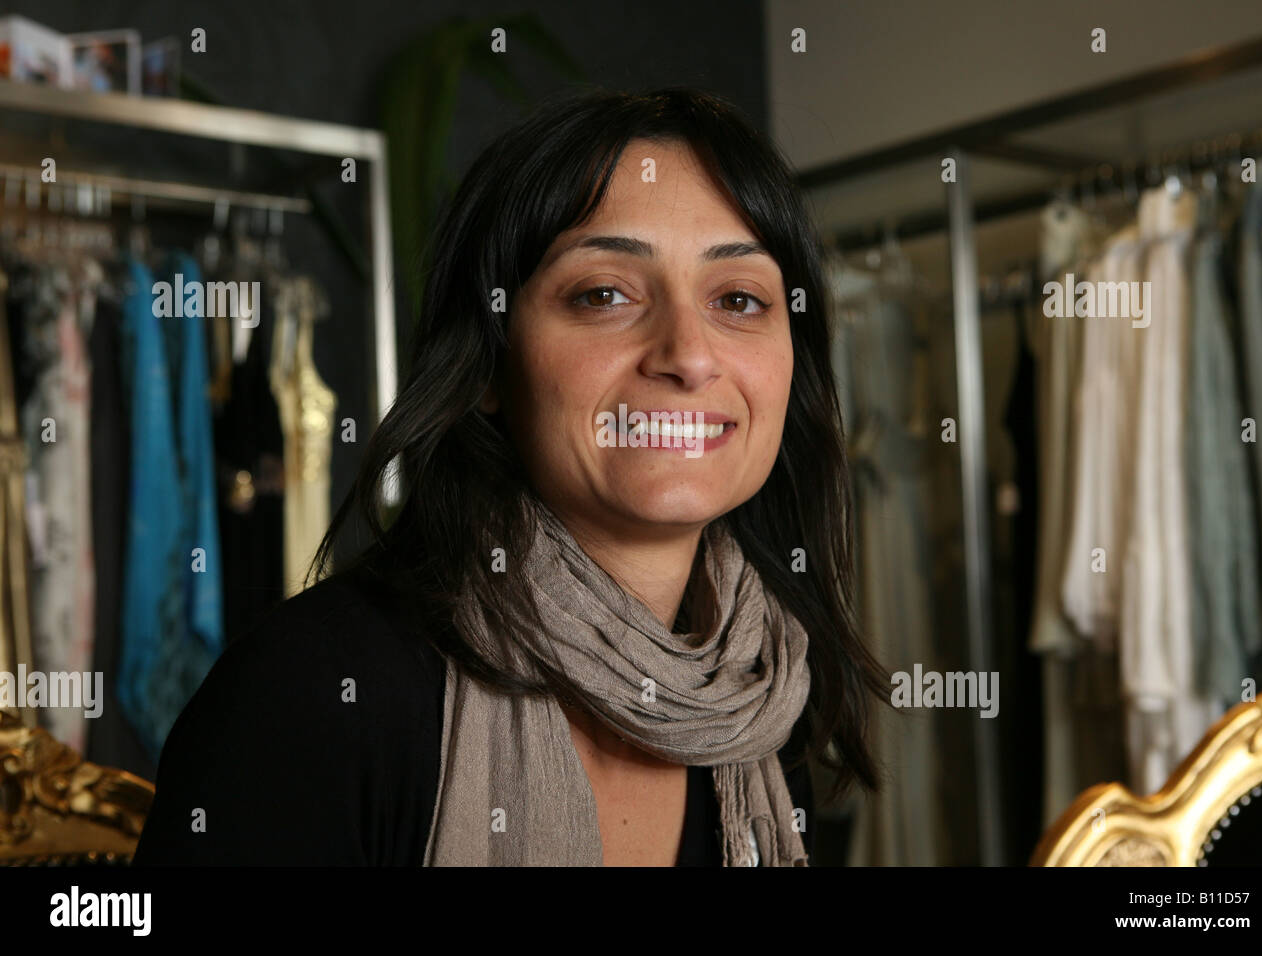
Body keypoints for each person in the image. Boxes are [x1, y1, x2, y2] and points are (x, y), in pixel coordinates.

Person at [132, 86, 893, 867]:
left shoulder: (763, 706)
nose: (689, 355)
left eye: (738, 299)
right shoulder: (316, 699)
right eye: (605, 294)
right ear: (490, 361)